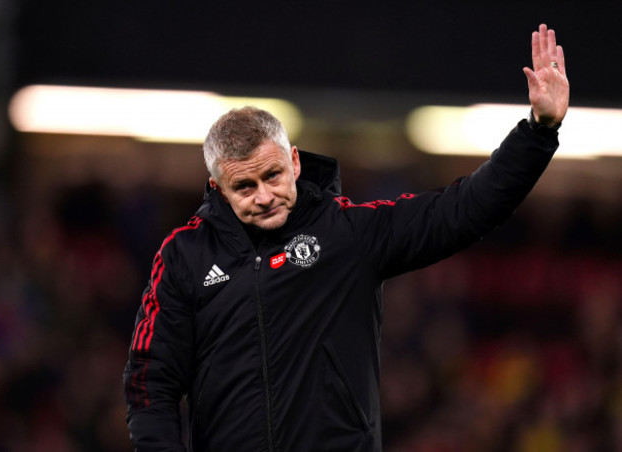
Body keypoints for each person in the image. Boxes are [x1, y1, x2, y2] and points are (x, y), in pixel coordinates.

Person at [123, 23, 569, 451]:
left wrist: (538, 130)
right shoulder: (184, 255)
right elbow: (150, 381)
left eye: (273, 175)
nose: (264, 196)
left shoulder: (348, 234)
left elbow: (464, 209)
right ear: (219, 188)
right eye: (244, 186)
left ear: (295, 162)